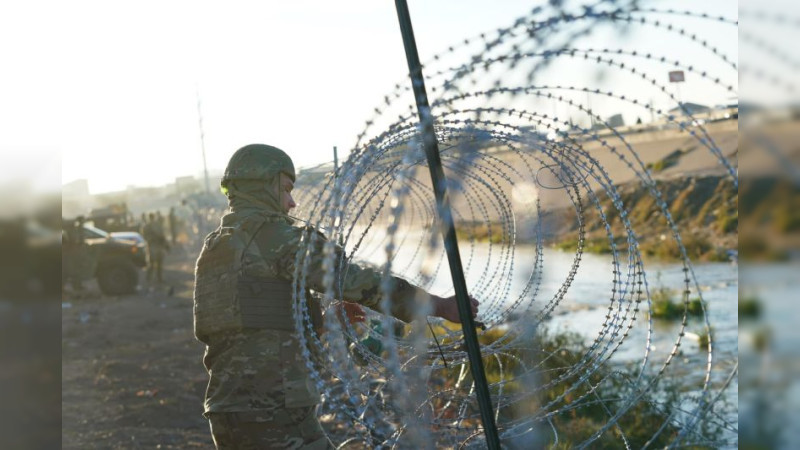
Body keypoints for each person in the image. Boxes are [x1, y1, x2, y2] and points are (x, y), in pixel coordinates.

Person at [193, 144, 478, 449]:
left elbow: (247, 322)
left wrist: (323, 319)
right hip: (275, 408)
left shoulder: (215, 248)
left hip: (227, 407)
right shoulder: (275, 236)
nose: (292, 202)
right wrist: (438, 304)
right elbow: (353, 280)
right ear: (264, 185)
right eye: (286, 189)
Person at [142, 212, 170, 283]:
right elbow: (162, 236)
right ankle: (153, 278)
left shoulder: (148, 226)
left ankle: (154, 278)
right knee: (155, 264)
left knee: (155, 264)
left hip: (154, 246)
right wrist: (166, 245)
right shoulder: (152, 226)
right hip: (154, 246)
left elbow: (162, 236)